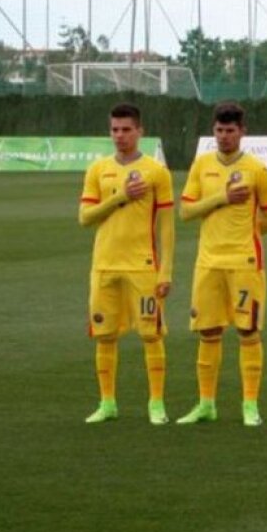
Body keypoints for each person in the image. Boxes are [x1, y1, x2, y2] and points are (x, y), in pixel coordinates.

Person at [176, 102, 267, 427]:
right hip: (208, 262)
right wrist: (221, 198)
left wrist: (246, 233)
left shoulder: (257, 169)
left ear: (242, 132)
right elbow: (186, 212)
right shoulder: (201, 165)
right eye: (219, 131)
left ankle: (250, 405)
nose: (224, 137)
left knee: (248, 330)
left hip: (245, 261)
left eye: (230, 131)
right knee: (208, 331)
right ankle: (206, 404)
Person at [79, 102, 175, 425]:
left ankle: (156, 403)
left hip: (142, 266)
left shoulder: (156, 172)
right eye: (115, 130)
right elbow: (85, 218)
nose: (120, 136)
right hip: (104, 265)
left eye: (126, 130)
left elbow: (166, 225)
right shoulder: (98, 169)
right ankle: (107, 403)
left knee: (151, 335)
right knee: (105, 335)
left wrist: (166, 270)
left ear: (140, 132)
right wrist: (120, 196)